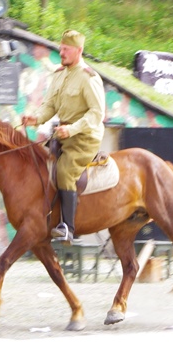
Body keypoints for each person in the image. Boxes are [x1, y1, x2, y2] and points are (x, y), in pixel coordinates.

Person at [22, 30, 105, 243]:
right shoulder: (59, 74)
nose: (61, 52)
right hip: (63, 133)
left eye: (66, 49)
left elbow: (97, 113)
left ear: (79, 50)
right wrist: (35, 118)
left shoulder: (89, 77)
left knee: (65, 170)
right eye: (60, 48)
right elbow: (49, 105)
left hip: (85, 136)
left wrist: (72, 129)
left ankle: (68, 227)